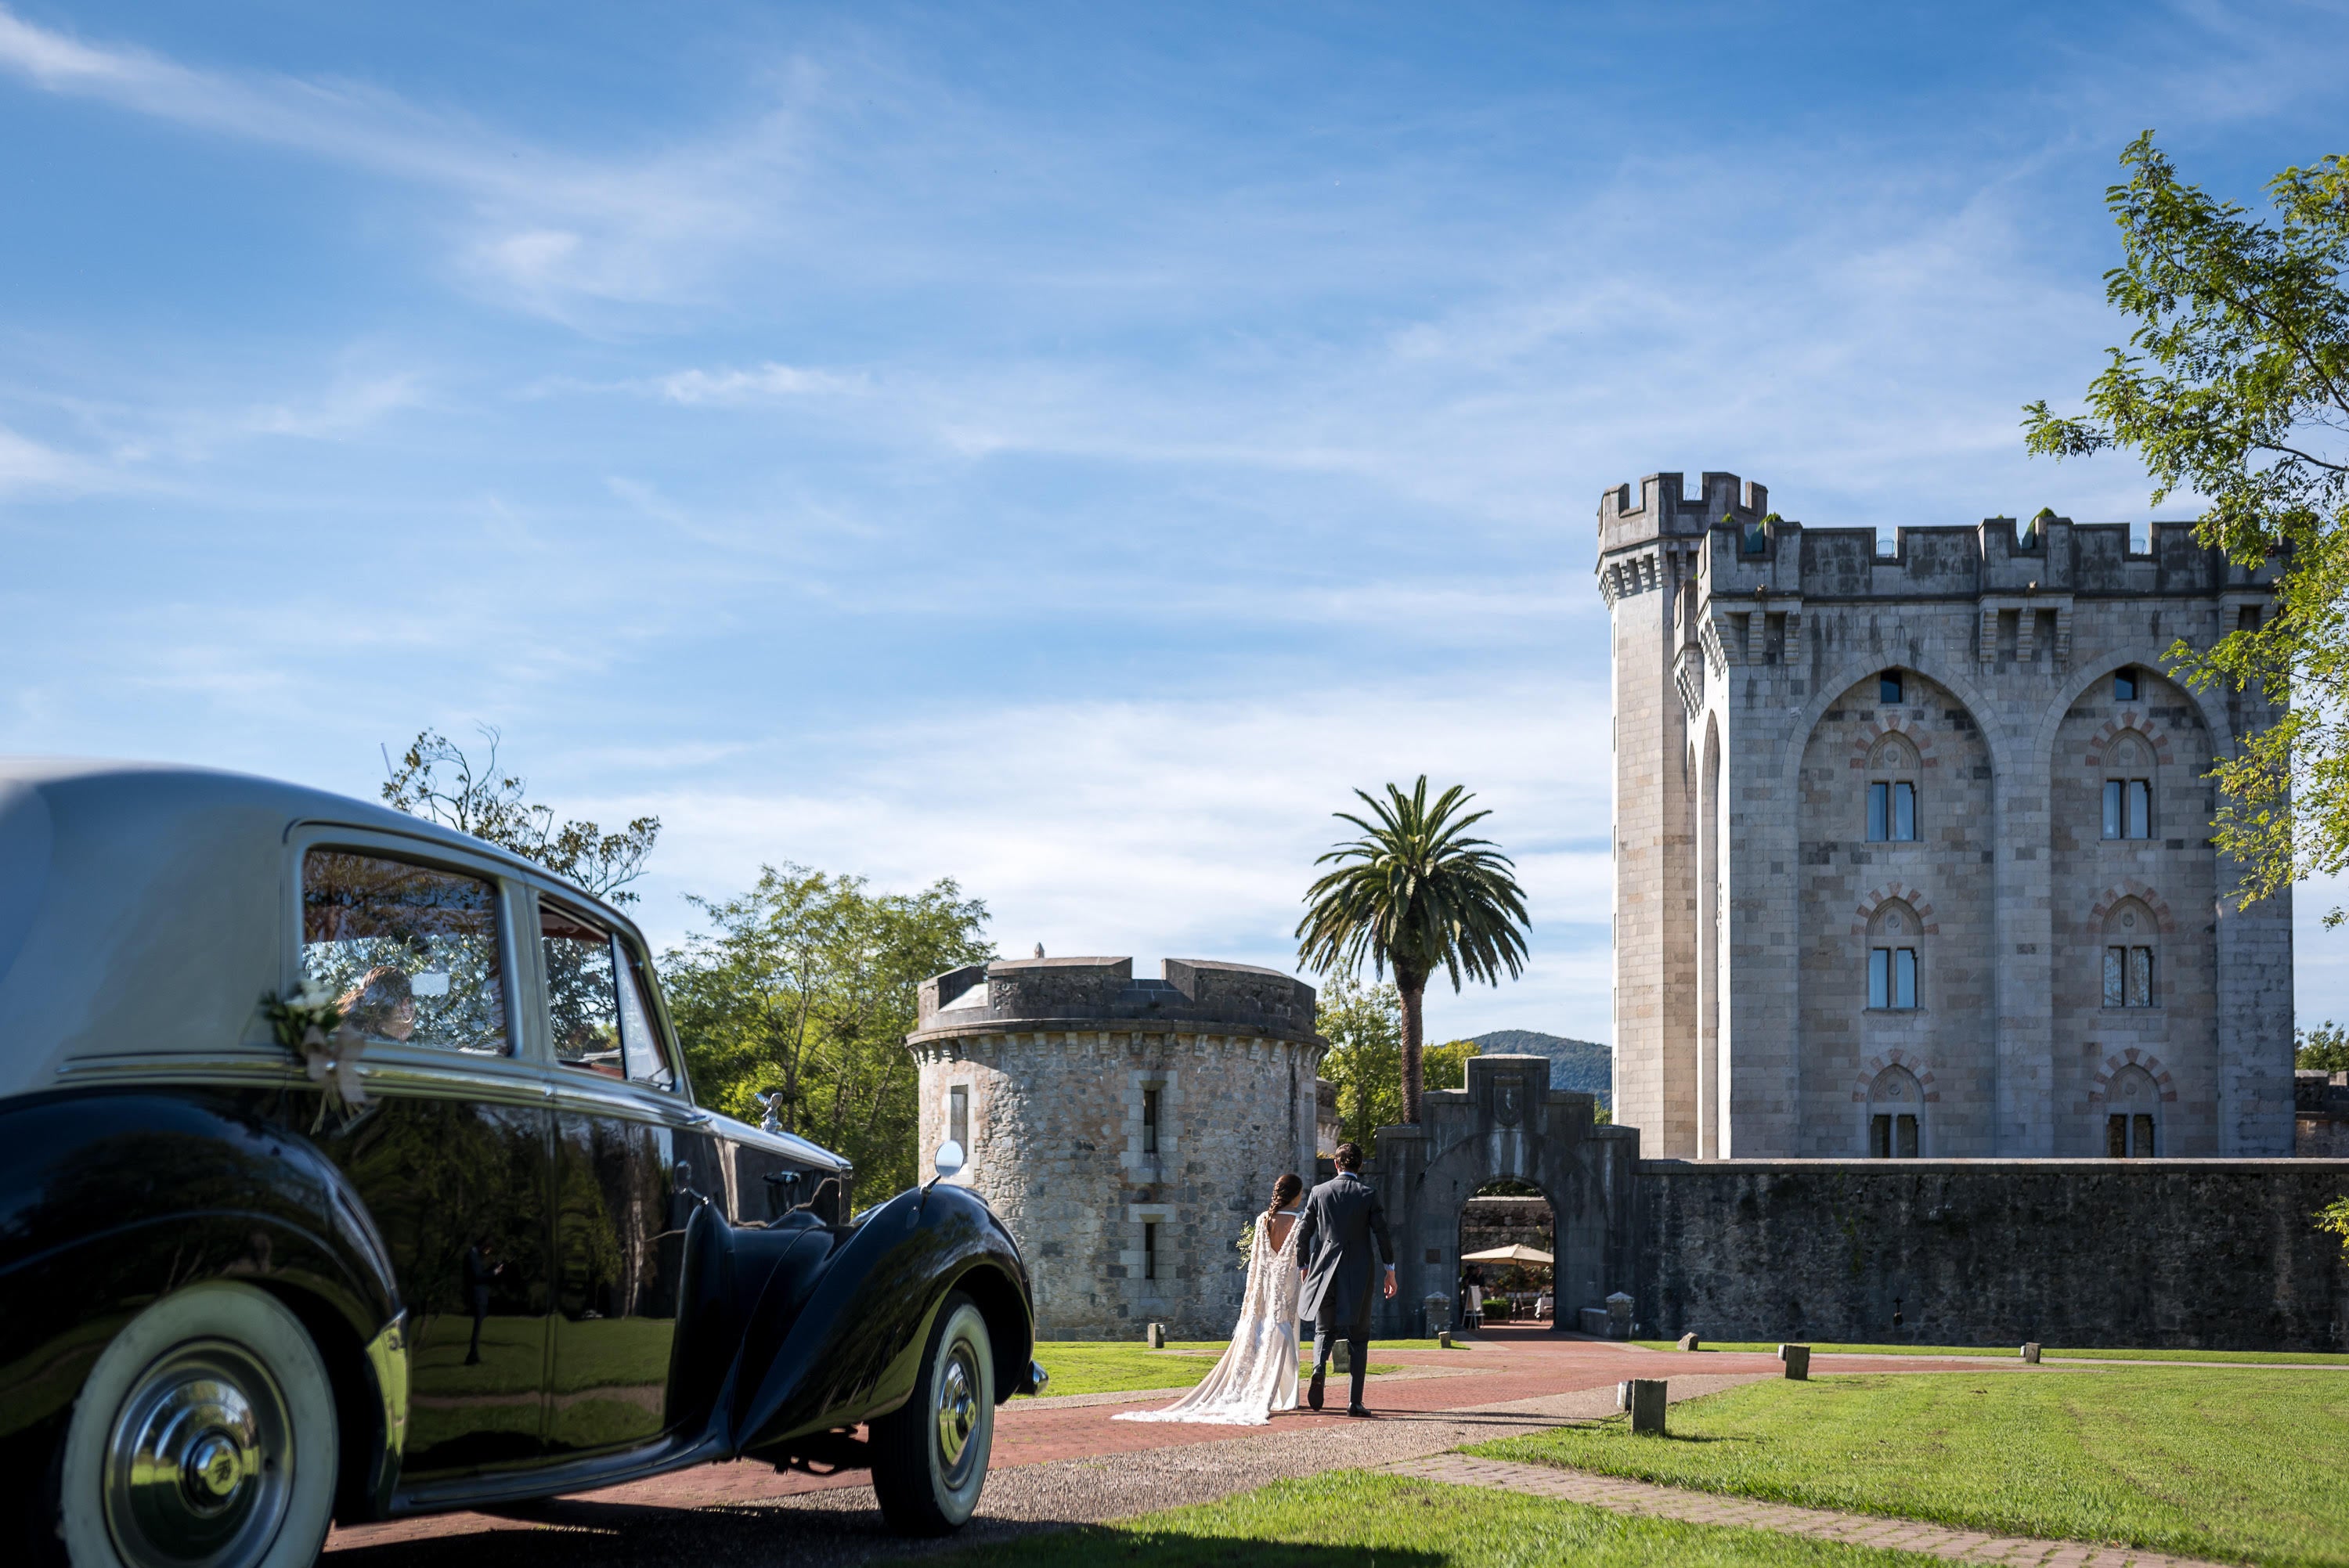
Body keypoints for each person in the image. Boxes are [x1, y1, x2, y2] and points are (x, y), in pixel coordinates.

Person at [1114, 1174, 1306, 1426]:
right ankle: (1285, 1396)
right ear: (1295, 1194)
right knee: (1286, 1333)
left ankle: (1277, 1394)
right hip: (1287, 1287)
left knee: (1268, 1331)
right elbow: (1301, 1258)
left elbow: (1259, 1261)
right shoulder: (1300, 1221)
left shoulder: (1263, 1220)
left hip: (1267, 1287)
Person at [1294, 1141, 1395, 1417]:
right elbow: (1382, 1234)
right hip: (1359, 1272)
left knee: (1322, 1330)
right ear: (1360, 1166)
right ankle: (1354, 1402)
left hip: (1324, 1270)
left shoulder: (1318, 1192)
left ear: (1336, 1165)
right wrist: (1390, 1270)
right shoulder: (1368, 1194)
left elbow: (1304, 1232)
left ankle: (1318, 1369)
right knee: (1359, 1338)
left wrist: (1304, 1265)